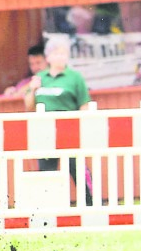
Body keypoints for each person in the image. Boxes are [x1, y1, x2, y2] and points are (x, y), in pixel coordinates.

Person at [24, 37, 93, 204]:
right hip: (45, 131)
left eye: (63, 53)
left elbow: (84, 104)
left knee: (77, 168)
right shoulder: (40, 78)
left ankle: (89, 203)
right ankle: (48, 206)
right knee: (47, 171)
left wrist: (82, 127)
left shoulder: (75, 77)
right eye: (56, 53)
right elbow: (28, 105)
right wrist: (33, 89)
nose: (60, 57)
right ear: (48, 57)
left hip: (69, 130)